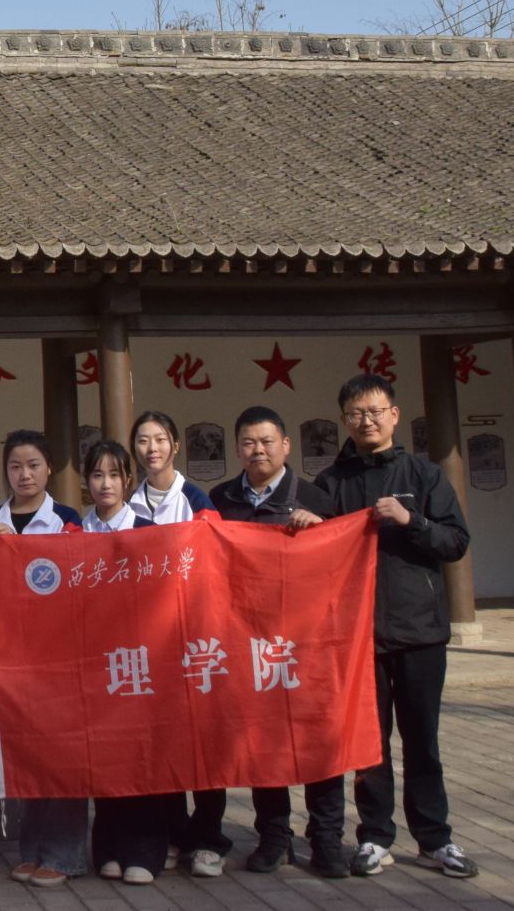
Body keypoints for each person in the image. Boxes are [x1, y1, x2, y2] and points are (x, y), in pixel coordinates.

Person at [313, 375, 476, 880]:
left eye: (375, 411)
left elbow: (456, 542)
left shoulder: (424, 476)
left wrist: (412, 521)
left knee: (422, 740)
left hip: (420, 631)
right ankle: (374, 837)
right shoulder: (331, 483)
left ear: (394, 415)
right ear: (344, 420)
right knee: (370, 744)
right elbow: (314, 552)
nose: (366, 421)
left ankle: (435, 839)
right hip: (359, 637)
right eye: (355, 413)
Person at [206, 408, 347, 880]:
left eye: (267, 441)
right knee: (263, 741)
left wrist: (320, 530)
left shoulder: (315, 497)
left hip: (308, 640)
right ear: (237, 448)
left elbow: (341, 561)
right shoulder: (222, 499)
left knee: (318, 740)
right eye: (248, 442)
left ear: (286, 445)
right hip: (251, 640)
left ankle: (327, 839)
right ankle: (274, 837)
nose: (258, 450)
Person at [0, 430, 86, 888]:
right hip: (10, 657)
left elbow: (79, 584)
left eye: (34, 465)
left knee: (63, 754)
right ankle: (32, 850)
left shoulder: (67, 521)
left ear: (49, 469)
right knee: (26, 752)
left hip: (59, 656)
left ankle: (64, 855)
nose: (24, 475)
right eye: (15, 466)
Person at [126, 409, 223, 878]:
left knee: (203, 744)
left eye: (160, 439)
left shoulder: (197, 501)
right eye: (143, 441)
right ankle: (169, 832)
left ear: (176, 446)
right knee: (161, 742)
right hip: (149, 642)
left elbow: (215, 564)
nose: (152, 449)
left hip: (194, 638)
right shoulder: (129, 503)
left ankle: (207, 839)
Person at [77, 439, 165, 885]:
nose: (105, 484)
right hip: (95, 660)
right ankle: (108, 846)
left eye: (114, 475)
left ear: (128, 481)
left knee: (142, 755)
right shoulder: (75, 534)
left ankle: (145, 851)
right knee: (104, 755)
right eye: (97, 475)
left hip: (141, 659)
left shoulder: (149, 531)